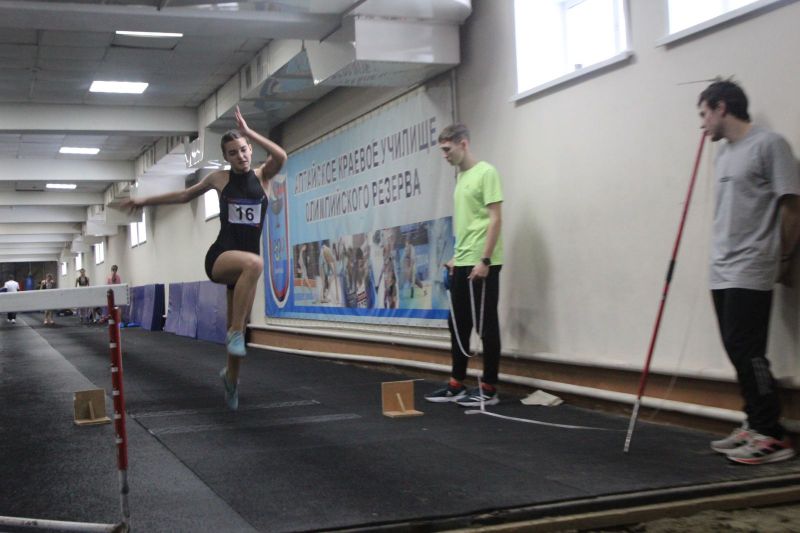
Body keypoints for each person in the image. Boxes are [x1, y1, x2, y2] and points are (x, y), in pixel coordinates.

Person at [122, 106, 287, 410]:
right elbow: (184, 196)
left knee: (238, 335)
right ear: (226, 157)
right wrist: (144, 200)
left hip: (245, 271)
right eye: (233, 153)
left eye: (244, 150)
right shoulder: (219, 179)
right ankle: (235, 333)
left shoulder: (263, 176)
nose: (241, 156)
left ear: (251, 149)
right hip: (222, 257)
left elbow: (281, 156)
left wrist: (249, 131)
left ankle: (231, 380)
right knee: (255, 266)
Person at [698, 80, 800, 465]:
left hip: (752, 265)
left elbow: (791, 206)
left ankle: (772, 434)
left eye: (704, 114)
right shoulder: (723, 154)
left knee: (748, 349)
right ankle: (754, 422)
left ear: (722, 107)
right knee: (735, 348)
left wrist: (783, 258)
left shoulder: (770, 145)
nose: (702, 123)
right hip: (721, 267)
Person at [425, 123, 504, 407]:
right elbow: (469, 224)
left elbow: (495, 219)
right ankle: (456, 384)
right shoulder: (461, 177)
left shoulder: (486, 172)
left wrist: (485, 260)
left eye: (447, 149)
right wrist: (456, 258)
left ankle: (489, 388)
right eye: (442, 150)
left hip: (483, 262)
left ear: (463, 144)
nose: (444, 155)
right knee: (457, 324)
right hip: (463, 260)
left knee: (486, 325)